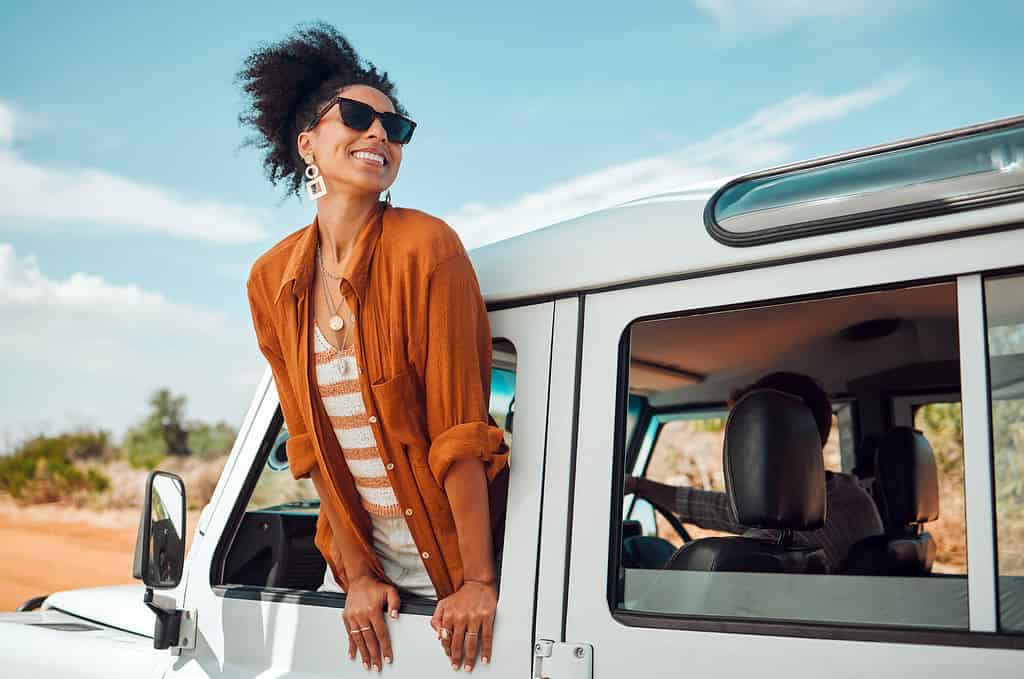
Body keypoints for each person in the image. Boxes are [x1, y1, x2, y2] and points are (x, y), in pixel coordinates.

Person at [239, 22, 508, 674]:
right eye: (358, 117)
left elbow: (459, 435)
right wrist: (355, 576)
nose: (380, 134)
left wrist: (475, 582)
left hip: (456, 578)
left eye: (397, 127)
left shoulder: (427, 249)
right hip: (363, 581)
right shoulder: (271, 280)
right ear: (307, 142)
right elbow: (308, 445)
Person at [625, 372, 883, 574]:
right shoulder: (848, 496)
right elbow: (721, 508)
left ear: (765, 442)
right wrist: (639, 486)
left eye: (742, 436)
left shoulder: (766, 552)